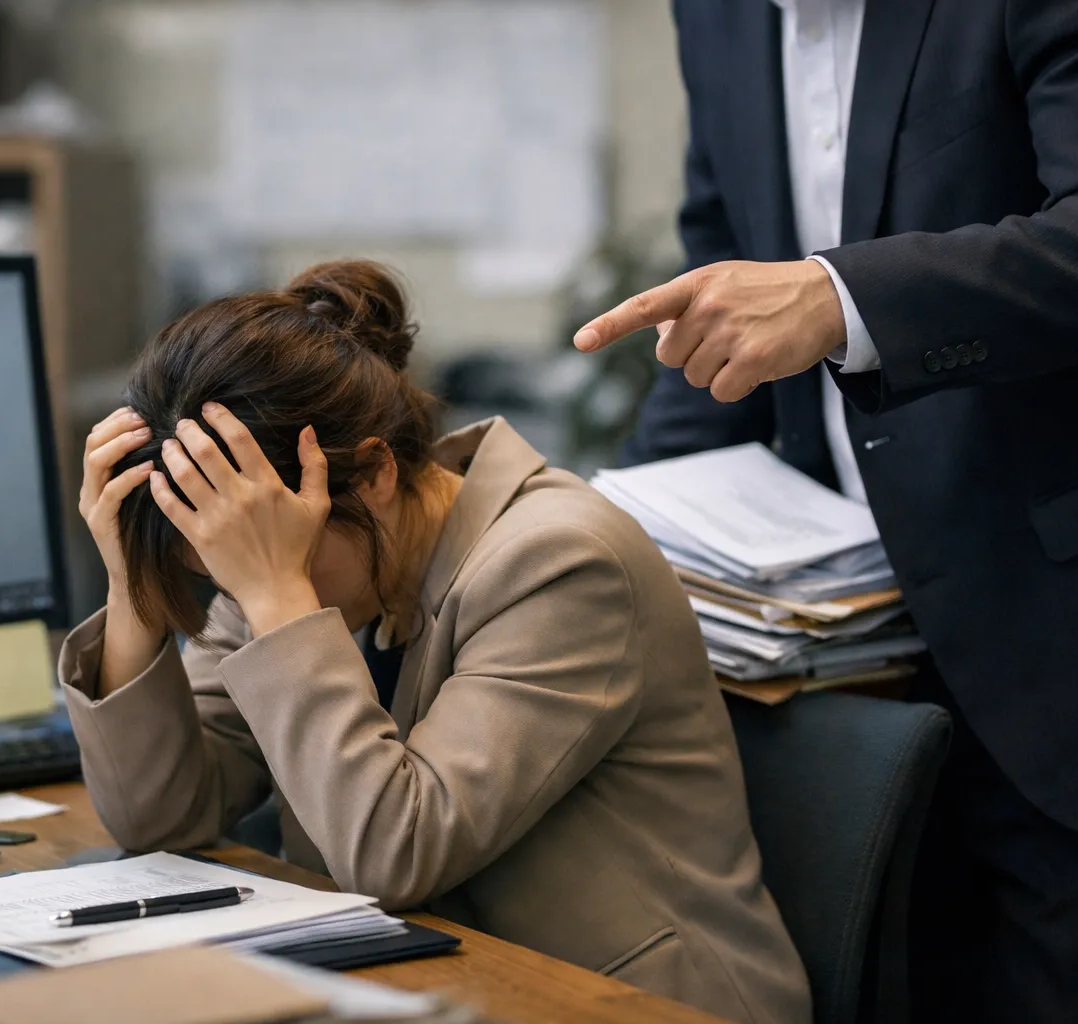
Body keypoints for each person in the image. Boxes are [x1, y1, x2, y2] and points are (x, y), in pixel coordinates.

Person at [571, 1, 1078, 1020]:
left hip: (1068, 652)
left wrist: (843, 298)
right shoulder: (715, 15)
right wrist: (602, 538)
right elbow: (716, 287)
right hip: (831, 660)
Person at [60, 260, 810, 1023]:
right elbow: (161, 818)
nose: (241, 588)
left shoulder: (559, 562)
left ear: (376, 472)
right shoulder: (278, 553)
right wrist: (135, 589)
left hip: (629, 1002)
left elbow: (396, 851)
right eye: (221, 567)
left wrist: (275, 590)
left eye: (257, 561)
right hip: (431, 986)